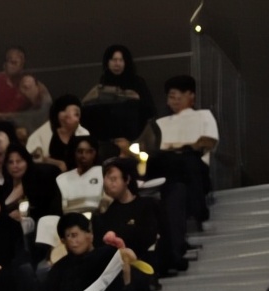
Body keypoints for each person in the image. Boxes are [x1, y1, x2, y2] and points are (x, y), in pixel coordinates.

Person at [150, 74, 219, 261]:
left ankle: (197, 210)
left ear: (191, 96)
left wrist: (180, 148)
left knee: (183, 162)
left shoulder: (203, 116)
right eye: (171, 97)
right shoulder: (162, 123)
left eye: (178, 96)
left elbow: (208, 142)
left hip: (193, 167)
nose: (174, 101)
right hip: (169, 172)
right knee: (170, 178)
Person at [81, 45, 155, 148]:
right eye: (114, 60)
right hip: (108, 140)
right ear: (108, 62)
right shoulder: (103, 83)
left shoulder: (137, 82)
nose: (117, 64)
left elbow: (149, 110)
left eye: (121, 60)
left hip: (134, 139)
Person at [26, 96, 88, 171]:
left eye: (77, 114)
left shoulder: (83, 133)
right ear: (59, 114)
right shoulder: (38, 136)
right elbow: (34, 161)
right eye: (65, 111)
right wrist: (57, 163)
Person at [0, 47, 30, 125]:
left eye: (20, 62)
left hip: (23, 125)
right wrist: (5, 117)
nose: (16, 65)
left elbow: (41, 105)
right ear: (5, 65)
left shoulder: (29, 82)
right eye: (12, 62)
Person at [56, 138, 106, 214]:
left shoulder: (103, 172)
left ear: (94, 153)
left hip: (96, 218)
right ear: (75, 153)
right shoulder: (62, 179)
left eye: (88, 152)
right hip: (70, 219)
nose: (83, 155)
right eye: (80, 151)